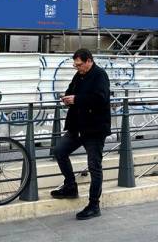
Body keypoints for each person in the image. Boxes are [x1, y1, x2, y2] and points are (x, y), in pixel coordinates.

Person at [50, 49, 111, 220]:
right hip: (77, 127)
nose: (77, 68)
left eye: (79, 64)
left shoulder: (100, 75)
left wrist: (77, 99)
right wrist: (67, 98)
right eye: (75, 65)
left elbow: (101, 98)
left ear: (89, 61)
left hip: (94, 130)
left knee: (94, 166)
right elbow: (72, 91)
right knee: (59, 151)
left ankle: (94, 205)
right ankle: (70, 186)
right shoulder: (79, 75)